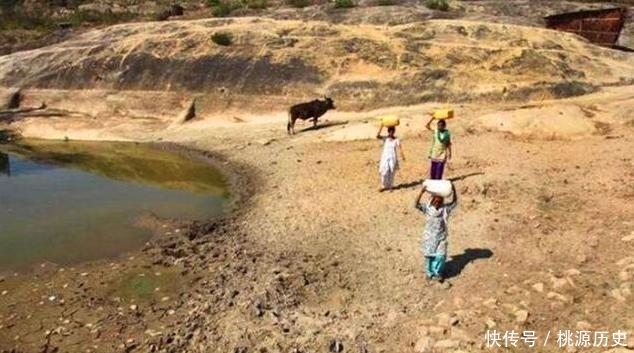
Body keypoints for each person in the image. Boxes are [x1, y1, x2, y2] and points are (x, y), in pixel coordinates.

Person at [414, 182, 457, 282]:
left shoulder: (445, 209)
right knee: (429, 256)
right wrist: (421, 192)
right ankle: (429, 273)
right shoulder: (428, 209)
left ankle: (437, 273)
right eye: (436, 201)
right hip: (429, 237)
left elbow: (454, 202)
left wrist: (454, 190)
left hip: (441, 237)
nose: (437, 203)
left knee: (441, 255)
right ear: (433, 201)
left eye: (439, 201)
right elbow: (416, 204)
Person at [376, 125, 405, 192]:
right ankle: (383, 186)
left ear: (394, 132)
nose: (391, 133)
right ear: (388, 132)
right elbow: (377, 136)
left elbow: (400, 147)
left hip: (393, 157)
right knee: (384, 171)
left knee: (392, 171)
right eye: (390, 131)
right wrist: (381, 126)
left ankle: (390, 186)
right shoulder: (385, 138)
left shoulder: (396, 139)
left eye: (392, 131)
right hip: (385, 157)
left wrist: (402, 155)